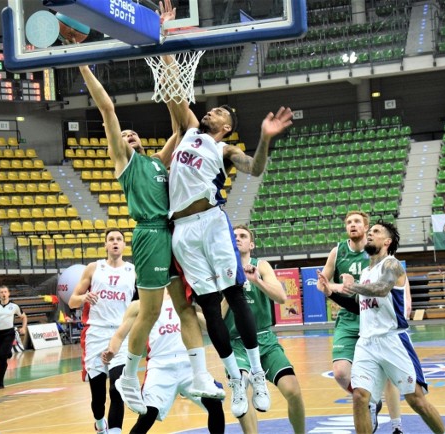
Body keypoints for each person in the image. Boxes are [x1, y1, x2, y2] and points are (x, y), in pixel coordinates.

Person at [78, 34, 223, 418]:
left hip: (173, 233)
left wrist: (169, 64)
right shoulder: (127, 166)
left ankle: (200, 373)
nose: (128, 135)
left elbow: (181, 126)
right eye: (123, 137)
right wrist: (83, 66)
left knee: (186, 309)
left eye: (132, 134)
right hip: (150, 234)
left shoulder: (159, 162)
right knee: (151, 313)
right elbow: (108, 110)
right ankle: (128, 376)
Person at [165, 73, 292, 417]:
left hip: (212, 223)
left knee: (234, 296)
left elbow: (255, 168)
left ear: (226, 127)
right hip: (182, 229)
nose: (211, 112)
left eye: (219, 111)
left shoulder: (224, 148)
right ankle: (235, 378)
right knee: (208, 306)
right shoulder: (190, 130)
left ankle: (258, 375)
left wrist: (265, 138)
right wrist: (165, 52)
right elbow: (176, 91)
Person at [317, 221, 445, 434]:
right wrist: (331, 293)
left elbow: (381, 289)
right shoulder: (367, 273)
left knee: (416, 400)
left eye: (375, 232)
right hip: (367, 342)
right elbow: (358, 306)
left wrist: (351, 286)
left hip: (392, 340)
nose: (370, 234)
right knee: (360, 397)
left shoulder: (392, 264)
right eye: (369, 232)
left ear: (387, 241)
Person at [317, 211, 408, 434]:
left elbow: (392, 282)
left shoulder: (375, 253)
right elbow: (324, 284)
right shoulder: (338, 252)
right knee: (340, 373)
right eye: (348, 222)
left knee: (388, 376)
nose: (352, 225)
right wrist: (329, 289)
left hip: (375, 318)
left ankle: (397, 425)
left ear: (366, 227)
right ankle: (370, 400)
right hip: (349, 317)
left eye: (357, 221)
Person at [102, 289, 225, 434]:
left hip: (189, 364)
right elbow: (119, 335)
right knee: (148, 415)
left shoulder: (187, 299)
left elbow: (210, 325)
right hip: (160, 367)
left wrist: (193, 314)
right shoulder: (139, 305)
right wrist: (112, 351)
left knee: (214, 404)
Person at [225, 225, 306, 433]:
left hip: (265, 340)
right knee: (241, 388)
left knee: (294, 391)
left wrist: (256, 281)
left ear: (251, 244)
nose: (238, 238)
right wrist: (231, 287)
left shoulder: (261, 265)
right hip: (237, 343)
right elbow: (216, 313)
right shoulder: (221, 268)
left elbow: (281, 297)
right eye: (234, 236)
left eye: (243, 236)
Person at [68, 228, 137, 434]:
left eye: (119, 239)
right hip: (95, 335)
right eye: (111, 239)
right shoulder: (93, 268)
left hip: (121, 335)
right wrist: (83, 298)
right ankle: (100, 424)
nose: (115, 242)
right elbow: (72, 301)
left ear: (124, 245)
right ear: (105, 245)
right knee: (98, 399)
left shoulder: (134, 271)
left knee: (117, 389)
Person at [0, 284, 27, 390]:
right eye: (1, 292)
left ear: (8, 293)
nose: (4, 294)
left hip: (9, 333)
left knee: (2, 356)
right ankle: (8, 353)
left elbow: (24, 317)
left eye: (5, 292)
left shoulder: (14, 306)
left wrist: (24, 328)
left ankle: (0, 382)